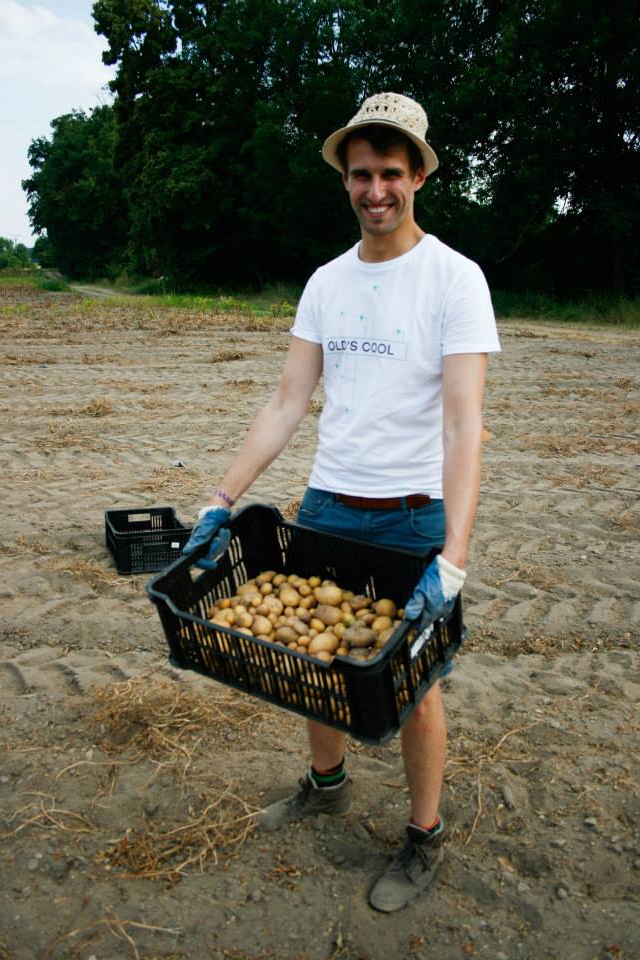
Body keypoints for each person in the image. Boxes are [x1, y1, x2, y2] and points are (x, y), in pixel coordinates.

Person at [183, 91, 501, 912]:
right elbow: (287, 402)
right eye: (360, 174)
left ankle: (423, 834)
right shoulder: (326, 281)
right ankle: (326, 783)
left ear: (419, 174)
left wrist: (453, 562)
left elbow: (466, 426)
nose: (374, 191)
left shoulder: (454, 278)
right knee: (314, 668)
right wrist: (221, 498)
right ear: (346, 179)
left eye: (390, 172)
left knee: (412, 687)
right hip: (325, 504)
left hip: (409, 515)